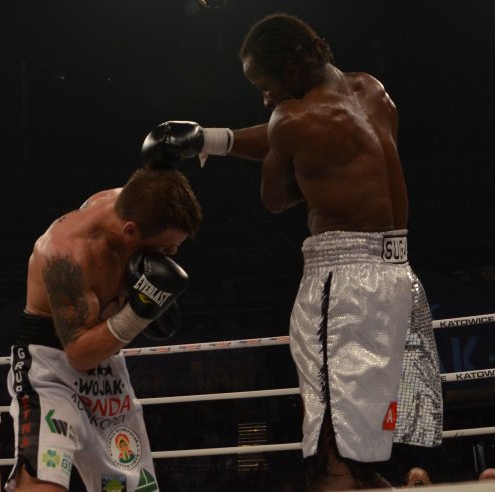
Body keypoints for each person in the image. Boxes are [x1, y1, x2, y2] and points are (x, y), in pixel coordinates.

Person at [141, 13, 443, 491]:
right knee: (355, 452)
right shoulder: (372, 90)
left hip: (341, 281)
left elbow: (275, 197)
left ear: (292, 71)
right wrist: (210, 139)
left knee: (327, 449)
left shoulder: (290, 118)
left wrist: (293, 159)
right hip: (395, 276)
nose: (264, 98)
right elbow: (305, 134)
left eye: (264, 85)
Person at [4, 167, 202, 491]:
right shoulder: (64, 255)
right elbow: (79, 354)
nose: (171, 257)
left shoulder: (136, 202)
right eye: (164, 250)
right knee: (43, 481)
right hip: (50, 368)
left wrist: (209, 144)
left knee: (130, 488)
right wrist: (138, 314)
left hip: (106, 368)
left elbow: (156, 174)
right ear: (130, 231)